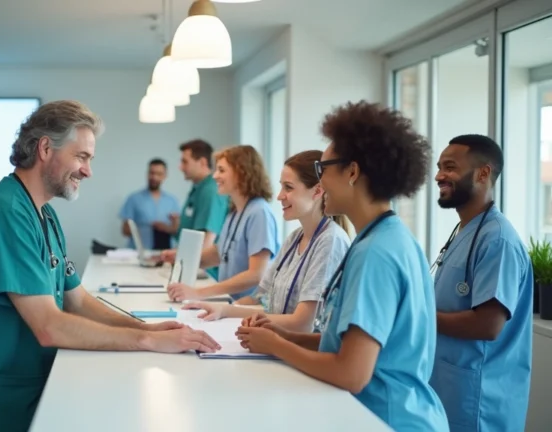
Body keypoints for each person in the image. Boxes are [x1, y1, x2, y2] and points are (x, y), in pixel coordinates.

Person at [0, 100, 220, 432]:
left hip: (17, 389)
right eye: (81, 157)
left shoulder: (44, 213)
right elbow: (49, 325)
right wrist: (144, 341)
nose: (88, 170)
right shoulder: (5, 212)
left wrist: (146, 329)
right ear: (45, 148)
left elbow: (78, 300)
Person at [235, 101, 448, 431]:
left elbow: (352, 372)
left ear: (352, 172)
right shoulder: (385, 238)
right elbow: (344, 344)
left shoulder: (376, 253)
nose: (320, 184)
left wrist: (276, 346)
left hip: (388, 419)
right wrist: (283, 335)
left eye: (323, 170)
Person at [430, 134, 533, 431]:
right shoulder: (466, 232)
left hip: (479, 401)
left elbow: (487, 325)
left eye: (449, 167)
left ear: (483, 173)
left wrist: (421, 315)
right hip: (450, 390)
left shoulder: (498, 239)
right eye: (439, 167)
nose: (439, 176)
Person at [183, 150, 351, 332]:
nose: (279, 196)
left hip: (296, 349)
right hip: (277, 341)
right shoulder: (294, 238)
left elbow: (303, 323)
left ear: (318, 191)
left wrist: (226, 309)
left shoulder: (331, 240)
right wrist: (224, 309)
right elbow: (261, 298)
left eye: (289, 187)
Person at [163, 145, 280, 302]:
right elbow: (220, 253)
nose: (215, 176)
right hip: (232, 303)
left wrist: (200, 293)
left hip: (249, 309)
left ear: (242, 173)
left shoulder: (259, 213)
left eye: (222, 170)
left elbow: (256, 274)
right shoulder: (235, 211)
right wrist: (181, 257)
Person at [175, 139, 229, 278]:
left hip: (205, 272)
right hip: (192, 265)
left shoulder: (211, 191)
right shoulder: (198, 188)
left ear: (203, 162)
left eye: (185, 162)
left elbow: (208, 238)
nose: (180, 167)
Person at [119, 158, 181, 250]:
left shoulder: (172, 201)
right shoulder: (133, 199)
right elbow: (125, 231)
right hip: (138, 253)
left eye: (159, 174)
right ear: (147, 174)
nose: (154, 177)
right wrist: (145, 229)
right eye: (152, 173)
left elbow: (177, 230)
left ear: (165, 176)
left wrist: (165, 228)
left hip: (165, 253)